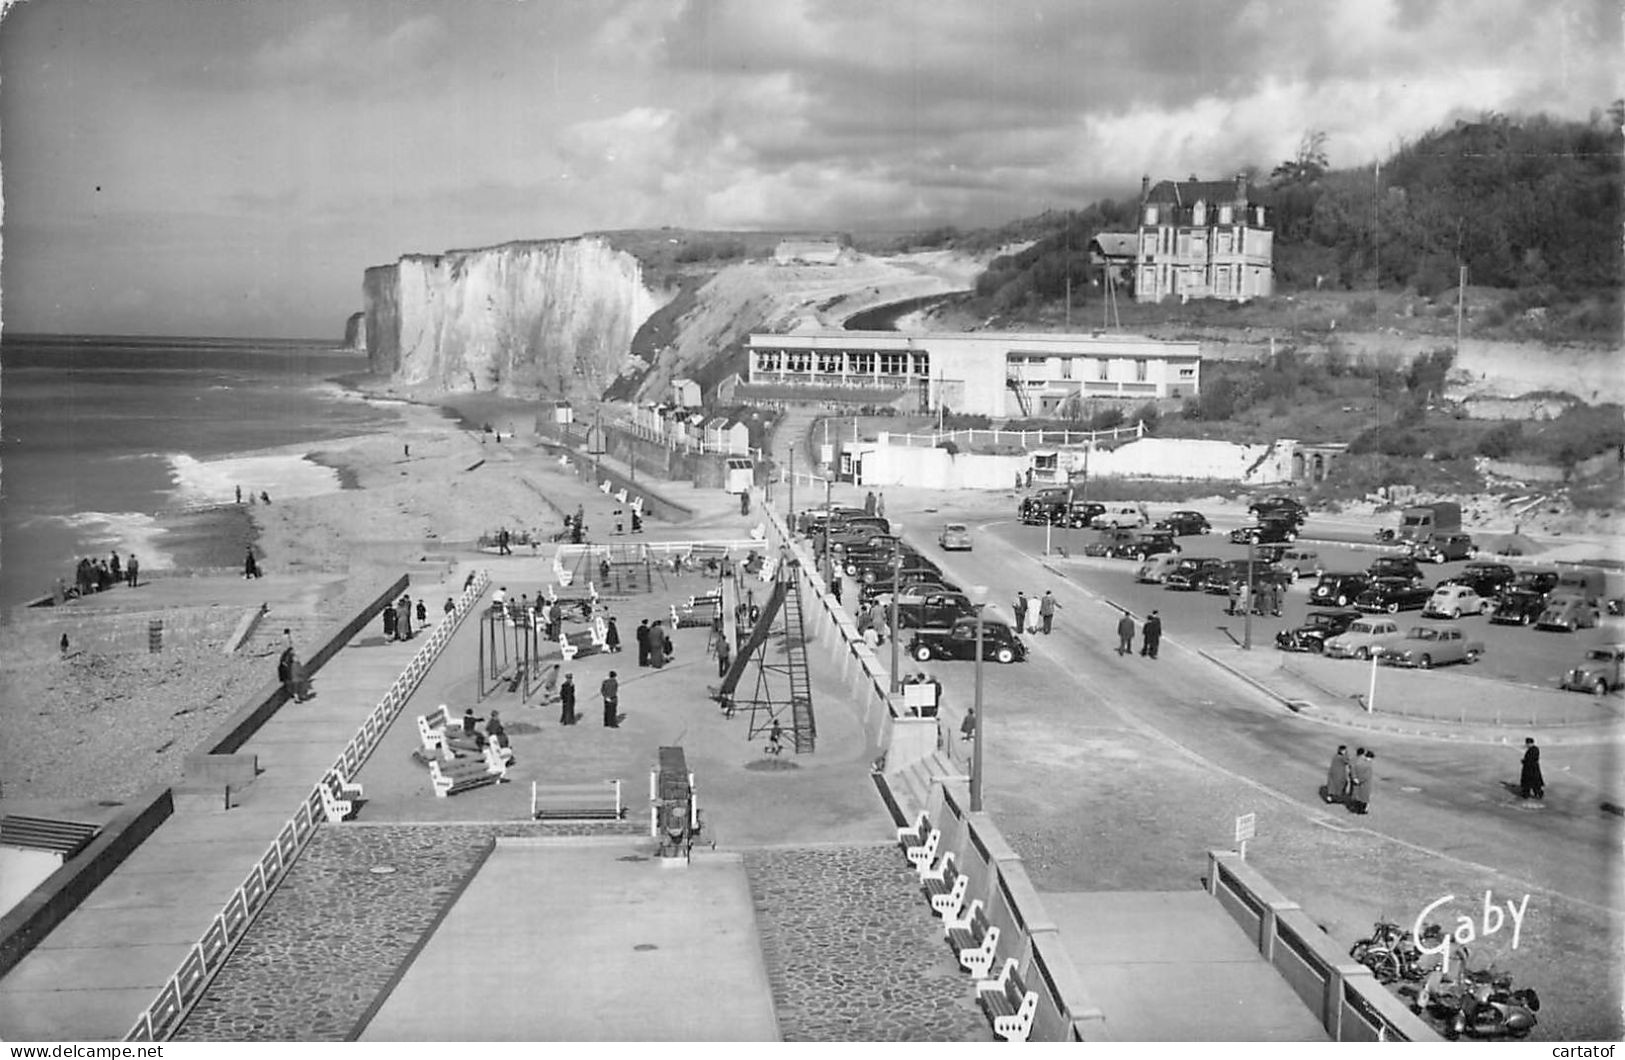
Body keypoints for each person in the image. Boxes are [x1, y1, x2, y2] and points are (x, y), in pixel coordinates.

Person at [1348, 748, 1373, 814]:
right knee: (1364, 797)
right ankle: (1361, 810)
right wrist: (1359, 780)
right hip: (1364, 783)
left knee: (1355, 793)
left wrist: (1354, 778)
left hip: (1355, 779)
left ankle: (1353, 807)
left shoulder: (1356, 761)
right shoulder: (1368, 765)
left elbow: (1352, 768)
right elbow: (1366, 776)